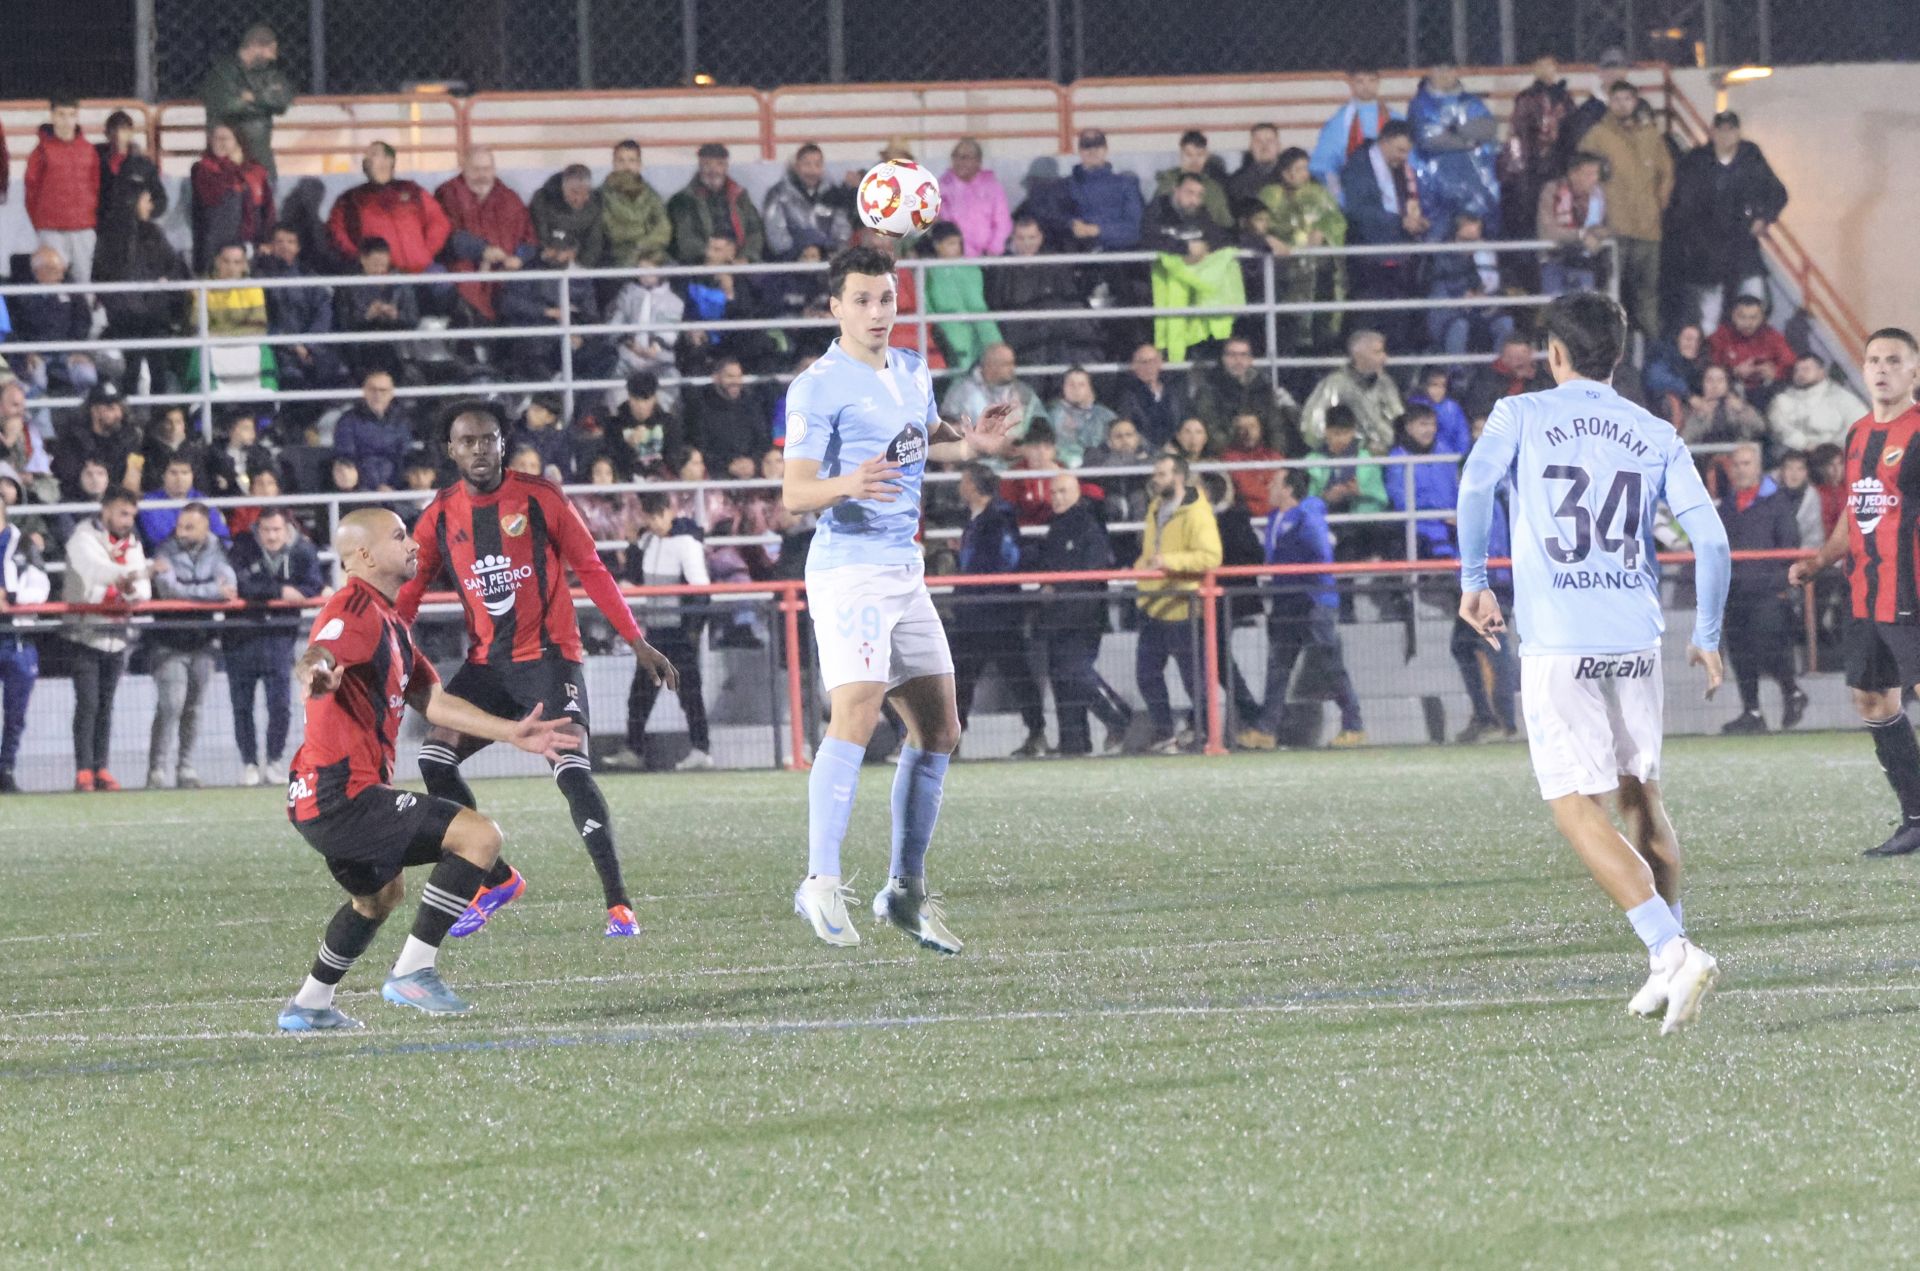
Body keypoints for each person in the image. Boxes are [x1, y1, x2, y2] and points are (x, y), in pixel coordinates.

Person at [1456, 290, 1730, 1036]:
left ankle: (1670, 948)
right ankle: (1663, 968)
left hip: (1561, 643)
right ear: (1620, 354)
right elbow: (1712, 543)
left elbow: (1477, 484)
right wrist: (1706, 632)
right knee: (1642, 796)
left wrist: (1474, 582)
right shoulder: (1654, 430)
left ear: (1554, 353)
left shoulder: (1520, 414)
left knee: (1574, 804)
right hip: (1634, 640)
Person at [780, 244, 1020, 951]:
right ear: (835, 308)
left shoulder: (913, 369)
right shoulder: (817, 386)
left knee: (940, 729)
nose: (877, 312)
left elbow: (925, 437)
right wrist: (845, 483)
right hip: (847, 568)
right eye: (861, 300)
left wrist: (970, 442)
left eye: (886, 298)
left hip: (902, 569)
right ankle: (819, 881)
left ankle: (904, 891)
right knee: (855, 710)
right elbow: (794, 493)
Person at [275, 508, 578, 1030]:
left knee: (377, 899)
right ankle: (414, 970)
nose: (415, 544)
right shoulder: (353, 607)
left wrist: (510, 731)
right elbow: (319, 651)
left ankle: (309, 1005)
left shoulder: (391, 622)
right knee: (479, 838)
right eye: (399, 537)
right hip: (342, 794)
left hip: (318, 798)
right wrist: (316, 673)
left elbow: (433, 702)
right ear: (364, 555)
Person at [395, 402, 678, 938]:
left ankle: (619, 905)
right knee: (434, 758)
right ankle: (494, 879)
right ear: (450, 450)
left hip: (550, 660)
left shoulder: (540, 498)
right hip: (486, 667)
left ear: (503, 445)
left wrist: (636, 640)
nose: (479, 449)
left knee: (571, 770)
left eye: (489, 439)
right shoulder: (438, 515)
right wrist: (389, 643)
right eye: (467, 441)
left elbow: (591, 568)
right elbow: (410, 590)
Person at [1789, 328, 1920, 855]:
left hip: (1912, 592)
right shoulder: (1859, 434)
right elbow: (1856, 507)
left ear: (1914, 371)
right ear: (1862, 371)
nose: (1882, 368)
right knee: (1871, 698)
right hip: (1865, 595)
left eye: (1894, 360)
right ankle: (1915, 818)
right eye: (1873, 361)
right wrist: (1821, 559)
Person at [1237, 467, 1364, 750]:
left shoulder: (1307, 517)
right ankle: (1266, 729)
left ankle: (1354, 724)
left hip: (1314, 600)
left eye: (1274, 482)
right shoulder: (1275, 517)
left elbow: (1322, 553)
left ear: (1288, 490)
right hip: (1286, 599)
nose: (1269, 487)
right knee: (1278, 665)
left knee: (1331, 664)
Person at [606, 492, 714, 772]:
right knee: (640, 694)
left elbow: (701, 590)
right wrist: (632, 547)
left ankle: (702, 749)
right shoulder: (649, 541)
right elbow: (634, 576)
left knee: (689, 694)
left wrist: (692, 633)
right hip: (655, 632)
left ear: (670, 511)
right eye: (648, 517)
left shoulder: (687, 544)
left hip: (678, 634)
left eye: (657, 516)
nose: (653, 523)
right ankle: (634, 749)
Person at [950, 462, 1048, 757]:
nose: (959, 486)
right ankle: (954, 738)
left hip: (995, 612)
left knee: (1013, 674)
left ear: (973, 486)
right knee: (965, 676)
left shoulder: (999, 516)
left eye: (963, 481)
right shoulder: (980, 517)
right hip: (976, 612)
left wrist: (976, 580)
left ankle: (1036, 731)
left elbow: (1007, 558)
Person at [63, 487, 153, 792]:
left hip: (116, 635)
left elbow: (143, 592)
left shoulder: (132, 543)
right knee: (87, 704)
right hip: (86, 632)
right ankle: (83, 770)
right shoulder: (83, 537)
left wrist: (132, 587)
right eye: (122, 513)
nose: (128, 520)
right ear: (106, 510)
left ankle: (101, 767)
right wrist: (130, 577)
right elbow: (94, 572)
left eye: (131, 515)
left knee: (106, 705)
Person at [1034, 473, 1130, 756]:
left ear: (1077, 493)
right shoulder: (1057, 528)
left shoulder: (1088, 526)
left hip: (1083, 617)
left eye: (1063, 491)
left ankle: (1117, 715)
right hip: (1059, 618)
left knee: (1073, 672)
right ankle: (1073, 743)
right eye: (1054, 493)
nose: (1057, 497)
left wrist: (1057, 590)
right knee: (1062, 680)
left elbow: (1092, 572)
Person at [1714, 442, 1807, 735]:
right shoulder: (1726, 506)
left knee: (1770, 647)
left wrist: (1782, 584)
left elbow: (1790, 544)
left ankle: (1791, 691)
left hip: (1767, 590)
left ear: (1758, 467)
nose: (1741, 469)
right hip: (1735, 591)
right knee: (1740, 652)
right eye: (1737, 464)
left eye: (1746, 463)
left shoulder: (1777, 502)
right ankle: (1752, 711)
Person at [228, 506, 325, 785]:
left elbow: (314, 585)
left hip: (280, 636)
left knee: (280, 704)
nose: (271, 536)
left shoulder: (303, 550)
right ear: (258, 529)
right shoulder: (243, 546)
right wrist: (280, 590)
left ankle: (273, 760)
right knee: (242, 706)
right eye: (266, 530)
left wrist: (292, 591)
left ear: (287, 529)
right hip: (241, 636)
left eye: (276, 530)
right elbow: (240, 584)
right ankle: (248, 762)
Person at [1669, 110, 1788, 336]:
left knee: (1754, 306)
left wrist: (1763, 217)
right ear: (1712, 132)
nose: (1726, 136)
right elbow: (1682, 206)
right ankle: (1712, 365)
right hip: (1706, 252)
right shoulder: (1696, 161)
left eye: (1731, 130)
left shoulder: (1750, 156)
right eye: (1721, 130)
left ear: (1738, 132)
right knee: (1709, 319)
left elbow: (1778, 193)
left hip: (1742, 248)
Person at [1133, 453, 1222, 753]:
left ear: (1178, 477)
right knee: (1146, 675)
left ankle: (1209, 734)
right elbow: (1150, 551)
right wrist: (1138, 570)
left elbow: (1211, 556)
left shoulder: (1197, 513)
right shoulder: (1156, 506)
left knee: (1193, 679)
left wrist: (1168, 562)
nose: (1155, 479)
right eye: (1156, 474)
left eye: (1161, 474)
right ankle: (1166, 733)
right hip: (1154, 603)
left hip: (1181, 607)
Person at [145, 502, 235, 789]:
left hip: (203, 641)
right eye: (180, 525)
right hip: (168, 640)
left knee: (193, 707)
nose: (181, 532)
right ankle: (156, 769)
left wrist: (191, 593)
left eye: (189, 526)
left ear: (205, 527)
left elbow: (230, 588)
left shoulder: (218, 550)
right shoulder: (165, 549)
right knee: (171, 704)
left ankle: (185, 767)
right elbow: (168, 589)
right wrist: (210, 592)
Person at [1579, 83, 1674, 342]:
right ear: (1609, 102)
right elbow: (1582, 173)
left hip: (1648, 230)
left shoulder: (1651, 135)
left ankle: (1653, 352)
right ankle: (1611, 349)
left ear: (1635, 101)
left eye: (1627, 98)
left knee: (1648, 295)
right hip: (1614, 230)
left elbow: (1666, 174)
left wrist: (1657, 206)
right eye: (1616, 98)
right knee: (1611, 294)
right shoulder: (1598, 135)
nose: (1622, 104)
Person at [92, 183, 189, 396]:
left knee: (159, 371)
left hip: (154, 316)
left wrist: (165, 284)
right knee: (130, 372)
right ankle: (131, 420)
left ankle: (158, 420)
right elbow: (102, 278)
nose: (150, 206)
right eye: (146, 200)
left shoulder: (153, 232)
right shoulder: (110, 237)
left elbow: (172, 266)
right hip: (126, 319)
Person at [1338, 122, 1427, 349]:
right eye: (1400, 150)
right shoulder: (1358, 167)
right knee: (1368, 320)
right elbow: (1357, 210)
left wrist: (1418, 221)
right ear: (1384, 142)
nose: (1404, 156)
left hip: (1400, 261)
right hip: (1368, 261)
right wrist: (1399, 222)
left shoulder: (1400, 169)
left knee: (1398, 321)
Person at [1144, 173, 1240, 362]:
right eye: (1189, 193)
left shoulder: (1201, 213)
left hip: (1196, 300)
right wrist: (1184, 248)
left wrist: (1204, 247)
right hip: (1159, 297)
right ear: (1176, 190)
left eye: (1199, 195)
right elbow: (1146, 239)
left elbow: (1220, 238)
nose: (1194, 200)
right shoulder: (1157, 209)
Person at [1260, 147, 1347, 358]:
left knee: (1321, 330)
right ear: (1285, 172)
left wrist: (1323, 231)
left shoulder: (1319, 193)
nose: (1303, 174)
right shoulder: (1269, 196)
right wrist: (1268, 238)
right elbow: (1256, 224)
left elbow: (1337, 219)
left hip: (1319, 276)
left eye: (1305, 169)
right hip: (1286, 276)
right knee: (1288, 332)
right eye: (1297, 169)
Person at [434, 147, 536, 323]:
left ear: (494, 170)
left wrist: (519, 258)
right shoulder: (448, 194)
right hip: (463, 270)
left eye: (486, 169)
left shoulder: (510, 198)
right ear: (464, 168)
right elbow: (445, 235)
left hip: (506, 273)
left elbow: (529, 238)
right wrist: (481, 250)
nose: (482, 175)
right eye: (476, 169)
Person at [326, 143, 452, 275]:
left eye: (373, 155)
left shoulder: (412, 190)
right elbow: (337, 232)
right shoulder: (351, 198)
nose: (366, 160)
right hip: (382, 277)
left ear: (389, 160)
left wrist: (425, 252)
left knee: (445, 287)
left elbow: (438, 221)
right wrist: (364, 260)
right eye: (365, 157)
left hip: (422, 269)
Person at [1500, 56, 1577, 267]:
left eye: (1551, 65)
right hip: (1532, 173)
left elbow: (1572, 134)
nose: (1546, 70)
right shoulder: (1527, 99)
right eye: (1541, 65)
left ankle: (1559, 264)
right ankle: (1532, 271)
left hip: (1559, 169)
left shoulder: (1564, 99)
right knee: (1531, 221)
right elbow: (1516, 135)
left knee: (1561, 217)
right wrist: (1517, 168)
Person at [253, 223, 349, 392]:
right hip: (278, 350)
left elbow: (323, 312)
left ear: (298, 247)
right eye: (279, 241)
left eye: (290, 242)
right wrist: (293, 345)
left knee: (340, 377)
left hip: (313, 349)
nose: (285, 246)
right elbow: (261, 322)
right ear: (270, 246)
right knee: (293, 383)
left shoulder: (308, 275)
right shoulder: (259, 278)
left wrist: (309, 345)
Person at [1407, 64, 1500, 232]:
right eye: (1439, 69)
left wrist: (1453, 131)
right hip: (1434, 191)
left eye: (1449, 69)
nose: (1445, 75)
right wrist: (1469, 141)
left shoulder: (1472, 102)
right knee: (1441, 242)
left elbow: (1487, 129)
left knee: (1483, 244)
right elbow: (1428, 140)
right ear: (1430, 72)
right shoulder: (1419, 105)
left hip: (1478, 189)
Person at [201, 23, 292, 182]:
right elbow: (225, 106)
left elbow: (282, 101)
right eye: (270, 51)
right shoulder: (222, 72)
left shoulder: (270, 74)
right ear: (255, 46)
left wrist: (252, 97)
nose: (273, 57)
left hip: (261, 162)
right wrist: (263, 105)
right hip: (225, 163)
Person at [0, 496, 49, 792]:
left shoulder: (24, 544)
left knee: (16, 712)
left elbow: (41, 587)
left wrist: (12, 598)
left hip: (17, 639)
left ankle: (6, 768)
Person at [25, 97, 101, 286]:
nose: (66, 121)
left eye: (71, 115)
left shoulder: (88, 150)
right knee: (52, 286)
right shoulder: (41, 151)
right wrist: (42, 223)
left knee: (85, 285)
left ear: (77, 117)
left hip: (83, 229)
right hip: (51, 230)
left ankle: (87, 316)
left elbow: (95, 186)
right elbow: (31, 191)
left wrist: (89, 216)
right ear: (52, 116)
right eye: (61, 115)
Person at [189, 122, 274, 274]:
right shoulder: (202, 169)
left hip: (251, 243)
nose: (220, 143)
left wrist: (266, 239)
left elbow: (267, 208)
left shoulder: (256, 171)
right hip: (216, 245)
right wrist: (233, 165)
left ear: (238, 141)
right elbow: (215, 195)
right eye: (216, 138)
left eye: (225, 138)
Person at [1300, 329, 1402, 453]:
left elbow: (1399, 421)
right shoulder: (1335, 384)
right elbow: (1313, 429)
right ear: (1358, 355)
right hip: (1341, 459)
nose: (1385, 358)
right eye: (1377, 352)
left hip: (1384, 457)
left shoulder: (1386, 383)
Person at [334, 237, 421, 381]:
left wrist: (396, 315)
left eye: (383, 264)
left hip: (397, 345)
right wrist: (367, 316)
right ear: (363, 259)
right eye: (375, 264)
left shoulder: (400, 283)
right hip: (363, 347)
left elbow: (413, 318)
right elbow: (342, 323)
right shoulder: (348, 286)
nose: (379, 270)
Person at [1310, 67, 1399, 202]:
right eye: (1360, 81)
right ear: (1350, 83)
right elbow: (1324, 166)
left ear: (1378, 82)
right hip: (1353, 192)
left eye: (1371, 80)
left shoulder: (1395, 118)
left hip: (1394, 190)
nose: (1366, 86)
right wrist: (1339, 198)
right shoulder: (1339, 122)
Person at [668, 143, 766, 265]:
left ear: (726, 166)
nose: (713, 170)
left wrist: (746, 257)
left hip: (739, 260)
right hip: (701, 264)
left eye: (719, 164)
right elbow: (685, 239)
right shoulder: (683, 200)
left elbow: (755, 232)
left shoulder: (740, 196)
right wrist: (711, 253)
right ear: (699, 165)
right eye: (707, 164)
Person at [922, 222, 1001, 369]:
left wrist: (994, 341)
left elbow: (977, 306)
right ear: (937, 245)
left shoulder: (970, 269)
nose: (957, 248)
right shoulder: (928, 271)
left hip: (968, 332)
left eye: (958, 243)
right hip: (945, 332)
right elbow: (926, 303)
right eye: (951, 244)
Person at [1535, 152, 1611, 297]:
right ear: (1573, 174)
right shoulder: (1552, 191)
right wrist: (1581, 235)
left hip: (1584, 264)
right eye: (1589, 174)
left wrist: (1598, 233)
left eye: (1596, 174)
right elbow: (1548, 231)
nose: (1594, 179)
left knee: (1583, 310)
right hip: (1554, 261)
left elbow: (1608, 226)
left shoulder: (1599, 195)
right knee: (1556, 311)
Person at [763, 143, 851, 261]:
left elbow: (842, 232)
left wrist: (826, 253)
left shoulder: (833, 194)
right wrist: (801, 253)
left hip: (827, 263)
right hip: (789, 265)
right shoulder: (778, 194)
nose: (812, 170)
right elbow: (776, 237)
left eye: (817, 165)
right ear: (797, 166)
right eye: (807, 164)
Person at [331, 370, 414, 492]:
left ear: (391, 393)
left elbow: (405, 456)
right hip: (359, 490)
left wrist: (394, 487)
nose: (378, 395)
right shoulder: (348, 421)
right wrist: (372, 488)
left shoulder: (401, 421)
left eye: (383, 390)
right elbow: (346, 457)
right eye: (373, 390)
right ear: (364, 392)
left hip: (395, 490)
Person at [1707, 296, 1796, 409]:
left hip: (1764, 392)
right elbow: (1707, 366)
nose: (1747, 323)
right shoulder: (1722, 334)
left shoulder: (1771, 336)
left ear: (1762, 318)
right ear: (1733, 316)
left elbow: (1791, 364)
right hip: (1730, 391)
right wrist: (1734, 371)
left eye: (1753, 318)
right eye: (1742, 317)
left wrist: (1775, 373)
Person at [1769, 354, 1867, 454]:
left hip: (1835, 455)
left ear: (1821, 372)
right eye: (1796, 371)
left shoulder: (1841, 397)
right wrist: (1804, 444)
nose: (1800, 374)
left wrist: (1834, 448)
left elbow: (1861, 425)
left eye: (1806, 369)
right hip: (1795, 455)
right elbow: (1780, 428)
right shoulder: (1782, 399)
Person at [1064, 130, 1144, 253]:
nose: (1093, 151)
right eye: (1087, 146)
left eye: (1098, 146)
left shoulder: (1126, 184)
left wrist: (1097, 230)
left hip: (1120, 258)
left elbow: (1135, 230)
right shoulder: (1066, 185)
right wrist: (1071, 225)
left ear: (1106, 149)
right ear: (1079, 151)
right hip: (1079, 256)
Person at [940, 342, 1040, 436]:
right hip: (975, 450)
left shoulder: (1023, 391)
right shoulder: (961, 391)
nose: (1012, 368)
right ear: (990, 366)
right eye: (1006, 364)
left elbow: (1041, 421)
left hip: (1015, 450)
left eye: (1013, 363)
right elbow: (947, 427)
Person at [940, 137, 1011, 257]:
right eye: (955, 156)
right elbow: (944, 225)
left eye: (965, 157)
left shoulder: (992, 186)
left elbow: (1003, 222)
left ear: (978, 161)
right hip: (955, 258)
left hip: (990, 257)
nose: (959, 161)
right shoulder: (942, 187)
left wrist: (994, 249)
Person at [94, 108, 166, 227]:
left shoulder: (144, 165)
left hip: (133, 226)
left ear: (131, 133)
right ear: (106, 134)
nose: (118, 135)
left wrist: (148, 209)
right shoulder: (94, 159)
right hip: (102, 225)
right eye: (113, 130)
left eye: (123, 130)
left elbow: (160, 199)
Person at [529, 164, 608, 269]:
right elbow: (537, 235)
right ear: (563, 187)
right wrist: (551, 252)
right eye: (574, 192)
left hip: (580, 266)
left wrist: (575, 254)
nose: (579, 198)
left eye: (585, 193)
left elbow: (594, 243)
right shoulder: (543, 199)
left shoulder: (595, 205)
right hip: (545, 262)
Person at [139, 455, 230, 546]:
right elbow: (159, 537)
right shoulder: (150, 502)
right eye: (173, 473)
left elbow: (222, 537)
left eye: (185, 473)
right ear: (163, 476)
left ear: (192, 476)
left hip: (206, 556)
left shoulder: (204, 501)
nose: (179, 478)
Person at [1115, 343, 1191, 451]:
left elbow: (1182, 421)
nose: (1149, 366)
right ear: (1134, 366)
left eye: (1153, 361)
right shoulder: (1128, 396)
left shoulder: (1174, 392)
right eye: (1143, 362)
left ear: (1160, 363)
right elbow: (1129, 428)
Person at [1152, 131, 1233, 229]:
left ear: (1206, 156)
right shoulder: (1167, 185)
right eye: (1189, 155)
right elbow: (1153, 224)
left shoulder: (1214, 188)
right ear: (1181, 154)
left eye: (1200, 155)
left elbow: (1226, 225)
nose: (1195, 161)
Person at [1045, 366, 1114, 468]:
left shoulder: (1105, 415)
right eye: (1071, 384)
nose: (1076, 389)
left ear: (1089, 388)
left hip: (1097, 469)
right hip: (1059, 470)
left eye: (1081, 385)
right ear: (1064, 387)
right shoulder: (1051, 415)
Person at [1226, 122, 1285, 206]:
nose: (1264, 146)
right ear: (1250, 147)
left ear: (1279, 146)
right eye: (1258, 141)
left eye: (1270, 141)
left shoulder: (1291, 177)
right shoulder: (1237, 182)